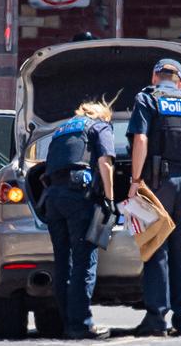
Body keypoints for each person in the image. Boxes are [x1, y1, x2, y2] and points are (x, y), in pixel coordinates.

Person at [126, 59, 181, 337]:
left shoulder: (147, 98)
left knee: (156, 248)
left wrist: (135, 180)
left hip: (157, 182)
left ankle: (156, 318)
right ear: (180, 81)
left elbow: (140, 139)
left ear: (155, 76)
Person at [43, 98, 117, 339]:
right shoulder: (100, 126)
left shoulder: (61, 130)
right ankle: (82, 325)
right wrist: (110, 199)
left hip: (53, 197)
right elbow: (105, 163)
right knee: (84, 262)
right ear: (103, 116)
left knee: (63, 263)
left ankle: (69, 323)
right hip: (78, 197)